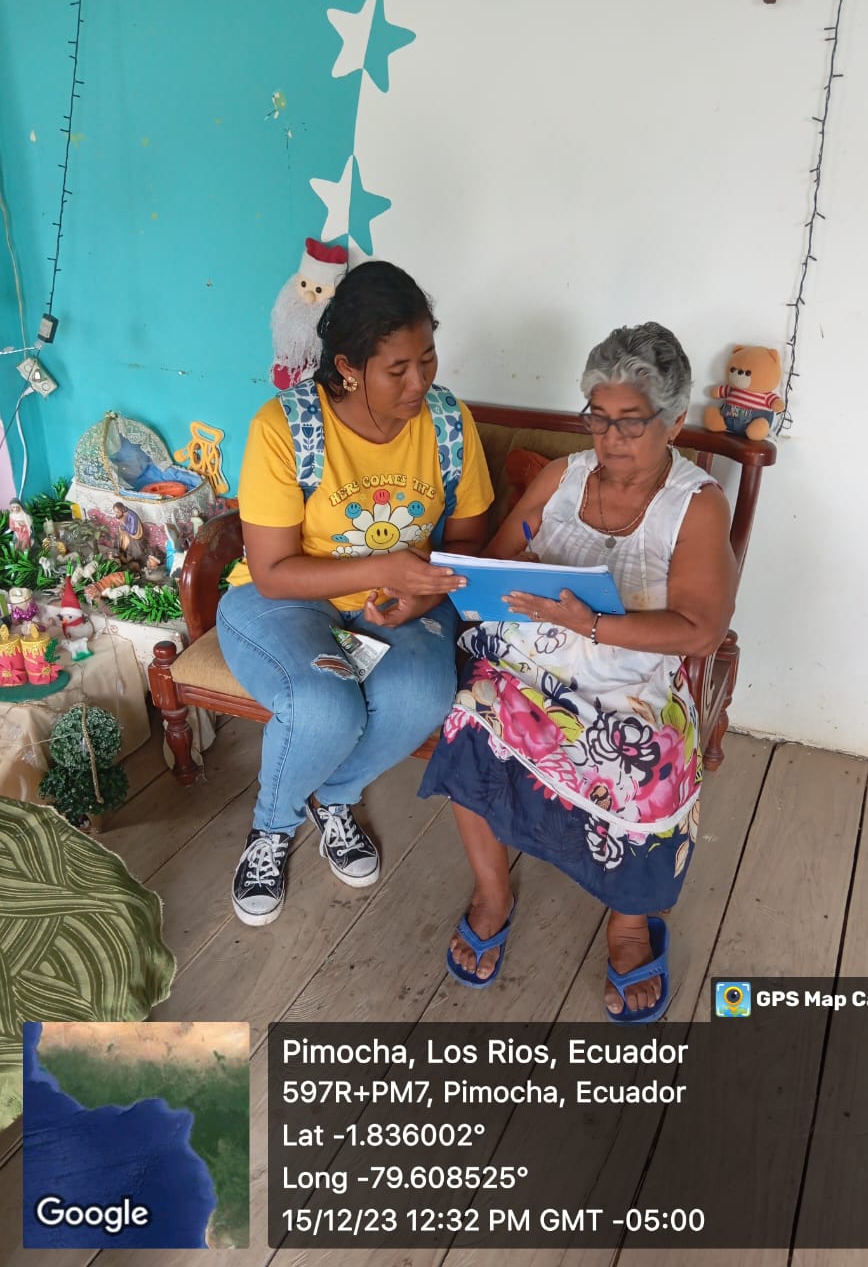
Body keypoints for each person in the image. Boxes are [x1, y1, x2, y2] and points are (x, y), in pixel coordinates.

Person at [419, 323, 737, 1023]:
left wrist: (592, 624)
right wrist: (511, 574)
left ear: (674, 422)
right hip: (531, 660)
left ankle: (629, 923)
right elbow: (495, 562)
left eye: (631, 421)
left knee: (647, 765)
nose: (610, 438)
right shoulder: (562, 478)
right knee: (471, 713)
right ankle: (493, 892)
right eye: (598, 417)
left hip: (633, 678)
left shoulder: (696, 505)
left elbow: (701, 630)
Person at [219, 260, 494, 927]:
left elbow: (468, 540)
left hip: (394, 607)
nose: (419, 382)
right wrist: (385, 566)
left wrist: (420, 594)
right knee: (324, 706)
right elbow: (274, 571)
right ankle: (273, 826)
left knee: (419, 695)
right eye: (397, 369)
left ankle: (333, 798)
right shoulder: (287, 428)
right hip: (284, 605)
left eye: (427, 359)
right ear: (347, 367)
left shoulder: (447, 423)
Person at [112, 501, 146, 566]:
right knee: (119, 541)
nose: (116, 514)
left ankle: (133, 561)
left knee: (135, 548)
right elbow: (122, 526)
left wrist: (124, 524)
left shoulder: (132, 516)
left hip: (135, 536)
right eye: (115, 512)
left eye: (118, 512)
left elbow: (133, 531)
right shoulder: (122, 514)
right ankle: (122, 557)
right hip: (125, 534)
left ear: (122, 510)